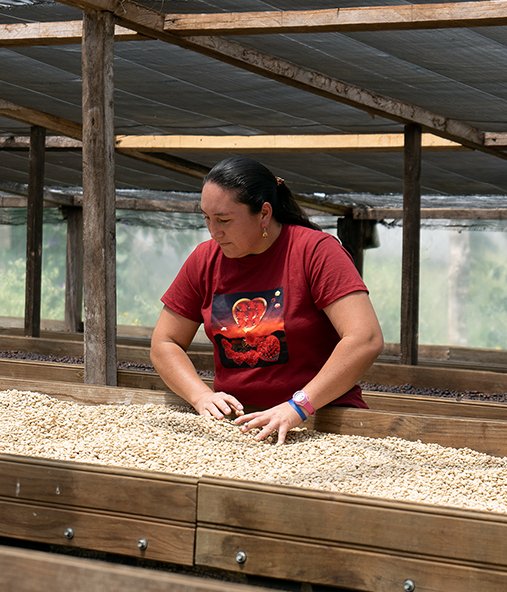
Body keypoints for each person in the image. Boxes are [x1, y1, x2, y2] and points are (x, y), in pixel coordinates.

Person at [150, 155, 384, 445]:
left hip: (321, 422)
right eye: (206, 218)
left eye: (224, 220)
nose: (214, 231)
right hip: (239, 427)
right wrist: (200, 395)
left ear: (263, 213)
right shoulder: (204, 260)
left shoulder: (315, 252)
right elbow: (165, 342)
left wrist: (298, 407)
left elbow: (365, 338)